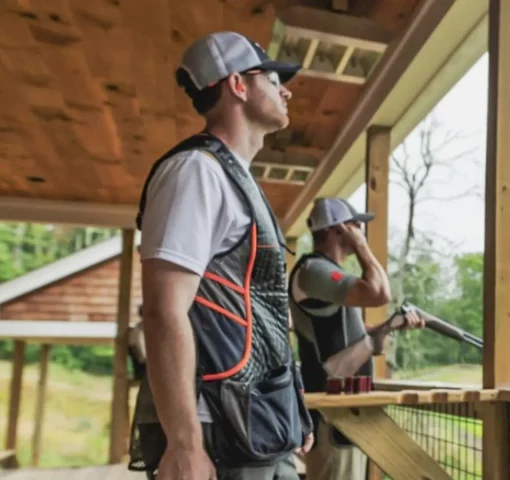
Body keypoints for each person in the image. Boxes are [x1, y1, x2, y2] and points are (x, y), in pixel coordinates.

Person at [130, 31, 315, 479]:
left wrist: (291, 407)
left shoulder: (232, 177)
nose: (285, 89)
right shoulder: (196, 172)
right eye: (272, 79)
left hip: (254, 423)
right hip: (214, 431)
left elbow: (256, 309)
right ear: (237, 84)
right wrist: (184, 443)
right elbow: (162, 311)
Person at [289, 197, 426, 480]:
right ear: (338, 230)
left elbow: (346, 340)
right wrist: (363, 246)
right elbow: (379, 293)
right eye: (355, 226)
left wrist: (386, 328)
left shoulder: (326, 274)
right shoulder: (315, 271)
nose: (360, 231)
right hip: (332, 417)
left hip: (345, 415)